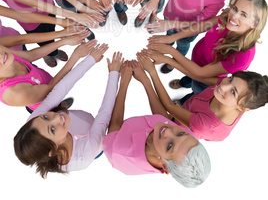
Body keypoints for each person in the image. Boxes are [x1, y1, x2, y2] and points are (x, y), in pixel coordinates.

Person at [14, 46, 123, 177]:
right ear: (52, 150)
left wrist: (90, 60)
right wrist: (114, 74)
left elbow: (60, 89)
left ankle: (61, 108)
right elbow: (104, 117)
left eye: (46, 118)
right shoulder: (84, 155)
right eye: (52, 130)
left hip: (81, 119)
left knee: (55, 105)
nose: (57, 117)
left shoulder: (35, 120)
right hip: (92, 138)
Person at [102, 60, 211, 188]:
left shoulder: (118, 152)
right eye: (181, 133)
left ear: (164, 166)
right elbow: (162, 118)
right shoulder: (190, 140)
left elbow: (114, 123)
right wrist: (146, 81)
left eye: (169, 146)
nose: (168, 130)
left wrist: (124, 83)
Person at [147, 0, 267, 104]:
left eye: (243, 15)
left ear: (255, 24)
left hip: (205, 78)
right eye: (235, 9)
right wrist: (172, 37)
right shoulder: (227, 16)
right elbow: (202, 26)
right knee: (189, 77)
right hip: (196, 59)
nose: (234, 15)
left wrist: (170, 52)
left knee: (197, 91)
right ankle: (183, 83)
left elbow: (200, 73)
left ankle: (183, 101)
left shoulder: (243, 56)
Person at [137, 52, 268, 141]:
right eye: (230, 79)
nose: (223, 86)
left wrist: (152, 73)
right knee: (188, 98)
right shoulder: (229, 93)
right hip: (192, 104)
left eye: (233, 92)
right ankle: (181, 100)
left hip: (179, 125)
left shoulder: (206, 126)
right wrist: (167, 59)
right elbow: (198, 76)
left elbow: (168, 107)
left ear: (243, 108)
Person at [0, 34, 90, 111]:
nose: (0, 54)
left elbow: (30, 56)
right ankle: (58, 108)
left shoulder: (4, 56)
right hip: (45, 102)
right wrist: (76, 56)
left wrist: (64, 41)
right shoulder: (14, 93)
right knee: (52, 111)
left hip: (42, 82)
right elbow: (51, 89)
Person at [0, 4, 85, 51]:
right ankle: (52, 54)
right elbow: (20, 40)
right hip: (12, 57)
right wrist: (62, 35)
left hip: (14, 37)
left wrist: (62, 23)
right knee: (44, 46)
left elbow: (19, 15)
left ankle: (52, 53)